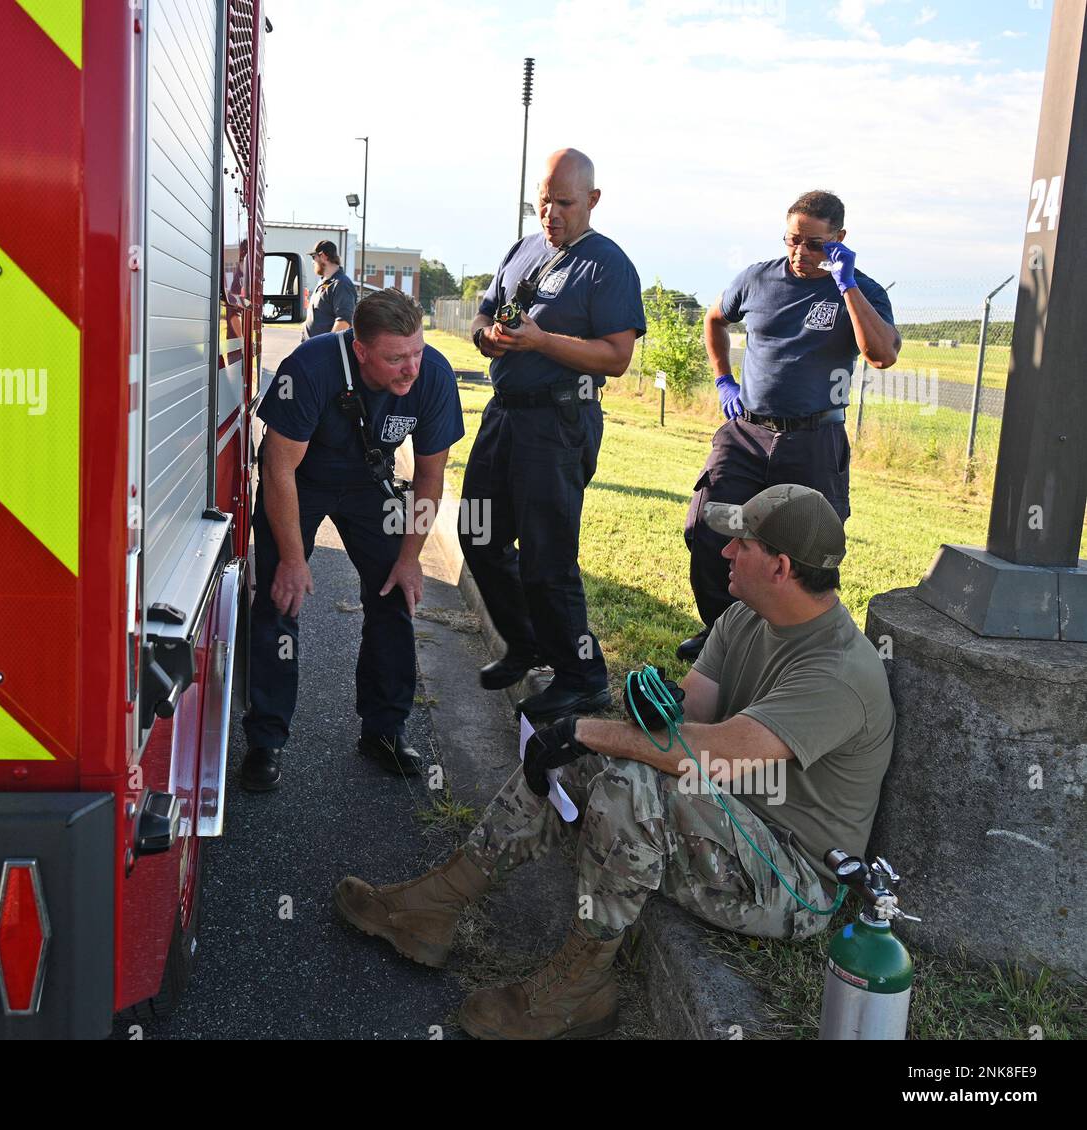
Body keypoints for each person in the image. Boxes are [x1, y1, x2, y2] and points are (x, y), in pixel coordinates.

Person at [336, 485, 895, 1039]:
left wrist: (586, 729)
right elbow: (689, 712)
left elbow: (712, 754)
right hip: (726, 820)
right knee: (595, 755)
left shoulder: (839, 672)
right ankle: (438, 903)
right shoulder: (747, 618)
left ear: (779, 567)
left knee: (626, 779)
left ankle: (580, 989)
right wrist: (652, 707)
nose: (724, 552)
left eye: (741, 545)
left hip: (788, 878)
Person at [240, 289, 463, 790]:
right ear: (360, 350)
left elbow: (430, 478)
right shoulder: (312, 366)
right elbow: (277, 467)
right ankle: (266, 739)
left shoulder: (434, 376)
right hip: (301, 482)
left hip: (369, 483)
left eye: (417, 352)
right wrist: (294, 560)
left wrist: (411, 559)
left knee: (394, 593)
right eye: (395, 358)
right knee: (280, 600)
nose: (410, 368)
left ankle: (385, 730)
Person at [460, 148, 645, 723]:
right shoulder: (523, 249)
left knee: (548, 556)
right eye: (543, 200)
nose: (551, 213)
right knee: (478, 533)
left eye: (564, 202)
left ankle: (582, 678)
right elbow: (483, 315)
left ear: (592, 199)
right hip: (506, 411)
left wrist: (541, 343)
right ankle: (526, 642)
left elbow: (617, 357)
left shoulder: (607, 264)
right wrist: (488, 338)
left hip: (560, 421)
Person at [678, 189, 899, 662]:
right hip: (746, 432)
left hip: (813, 439)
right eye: (792, 240)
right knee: (711, 528)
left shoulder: (862, 289)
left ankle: (795, 651)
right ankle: (721, 634)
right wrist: (724, 380)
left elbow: (882, 356)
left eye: (815, 244)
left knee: (807, 553)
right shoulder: (757, 279)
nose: (800, 254)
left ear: (840, 239)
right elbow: (715, 319)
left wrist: (847, 286)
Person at [301, 239, 357, 341]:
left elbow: (343, 322)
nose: (313, 262)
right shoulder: (323, 282)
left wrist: (327, 348)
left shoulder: (341, 284)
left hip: (323, 353)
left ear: (323, 256)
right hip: (311, 350)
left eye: (314, 257)